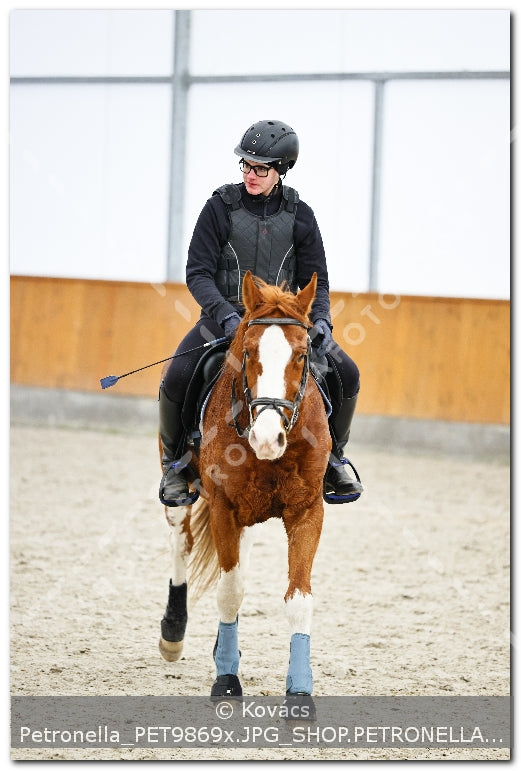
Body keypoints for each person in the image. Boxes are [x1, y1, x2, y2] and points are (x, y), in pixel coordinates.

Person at [159, 119, 364, 507]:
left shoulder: (301, 214)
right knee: (178, 376)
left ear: (281, 170)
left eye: (261, 168)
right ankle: (174, 464)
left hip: (286, 324)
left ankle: (335, 458)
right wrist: (224, 314)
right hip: (226, 317)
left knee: (347, 372)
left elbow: (314, 278)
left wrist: (321, 320)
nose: (251, 174)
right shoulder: (219, 208)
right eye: (246, 166)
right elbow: (197, 272)